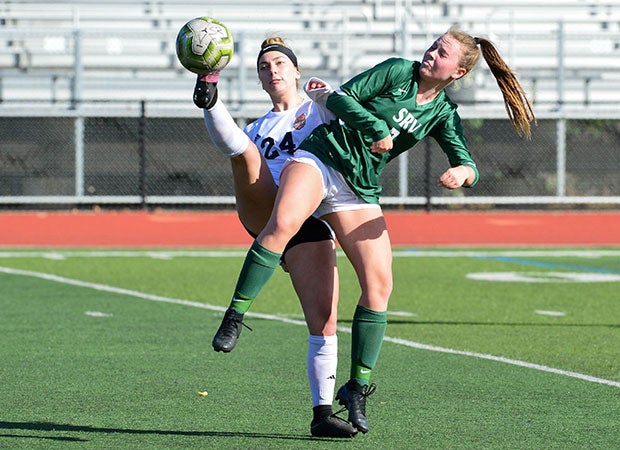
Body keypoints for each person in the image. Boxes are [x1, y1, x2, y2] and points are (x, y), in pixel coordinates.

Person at [211, 26, 536, 434]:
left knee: (379, 287)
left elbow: (466, 160)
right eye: (434, 45)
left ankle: (357, 388)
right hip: (322, 158)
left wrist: (462, 173)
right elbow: (342, 96)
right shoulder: (399, 70)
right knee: (283, 223)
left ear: (457, 73)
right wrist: (375, 129)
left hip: (358, 188)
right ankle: (235, 315)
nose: (431, 54)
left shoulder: (442, 112)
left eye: (442, 53)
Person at [194, 37, 357, 438]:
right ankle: (210, 97)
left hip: (309, 222)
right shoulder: (257, 127)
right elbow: (232, 145)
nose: (273, 70)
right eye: (264, 66)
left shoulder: (319, 110)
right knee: (246, 152)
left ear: (297, 70)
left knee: (324, 319)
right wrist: (212, 102)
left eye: (280, 62)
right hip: (266, 210)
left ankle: (322, 414)